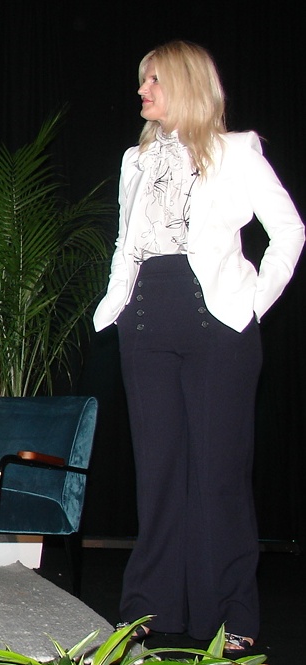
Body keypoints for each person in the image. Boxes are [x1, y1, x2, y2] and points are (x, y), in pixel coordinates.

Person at [93, 40, 304, 657]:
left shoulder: (237, 152)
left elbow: (288, 230)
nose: (141, 91)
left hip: (217, 324)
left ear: (184, 84)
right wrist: (119, 306)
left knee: (217, 478)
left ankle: (232, 613)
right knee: (158, 474)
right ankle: (148, 609)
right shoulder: (134, 160)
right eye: (141, 82)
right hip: (146, 320)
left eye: (151, 80)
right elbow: (124, 242)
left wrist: (252, 304)